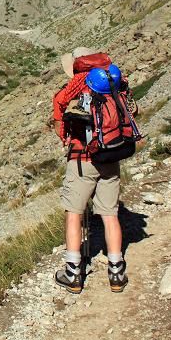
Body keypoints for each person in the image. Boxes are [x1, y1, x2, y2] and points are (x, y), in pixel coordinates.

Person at [52, 47, 128, 294]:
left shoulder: (75, 85)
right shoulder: (115, 82)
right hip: (111, 154)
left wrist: (64, 134)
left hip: (82, 158)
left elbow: (58, 111)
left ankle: (73, 272)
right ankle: (117, 270)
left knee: (74, 212)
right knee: (109, 213)